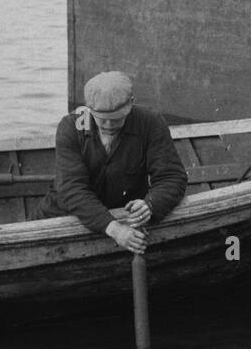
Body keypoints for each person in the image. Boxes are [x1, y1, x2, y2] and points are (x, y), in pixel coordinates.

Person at [33, 70, 188, 254]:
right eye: (101, 119)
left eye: (116, 119)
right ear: (89, 109)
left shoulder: (150, 123)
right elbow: (71, 188)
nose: (108, 126)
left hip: (124, 215)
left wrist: (150, 205)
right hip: (65, 216)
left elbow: (172, 177)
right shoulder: (70, 127)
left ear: (131, 104)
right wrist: (114, 229)